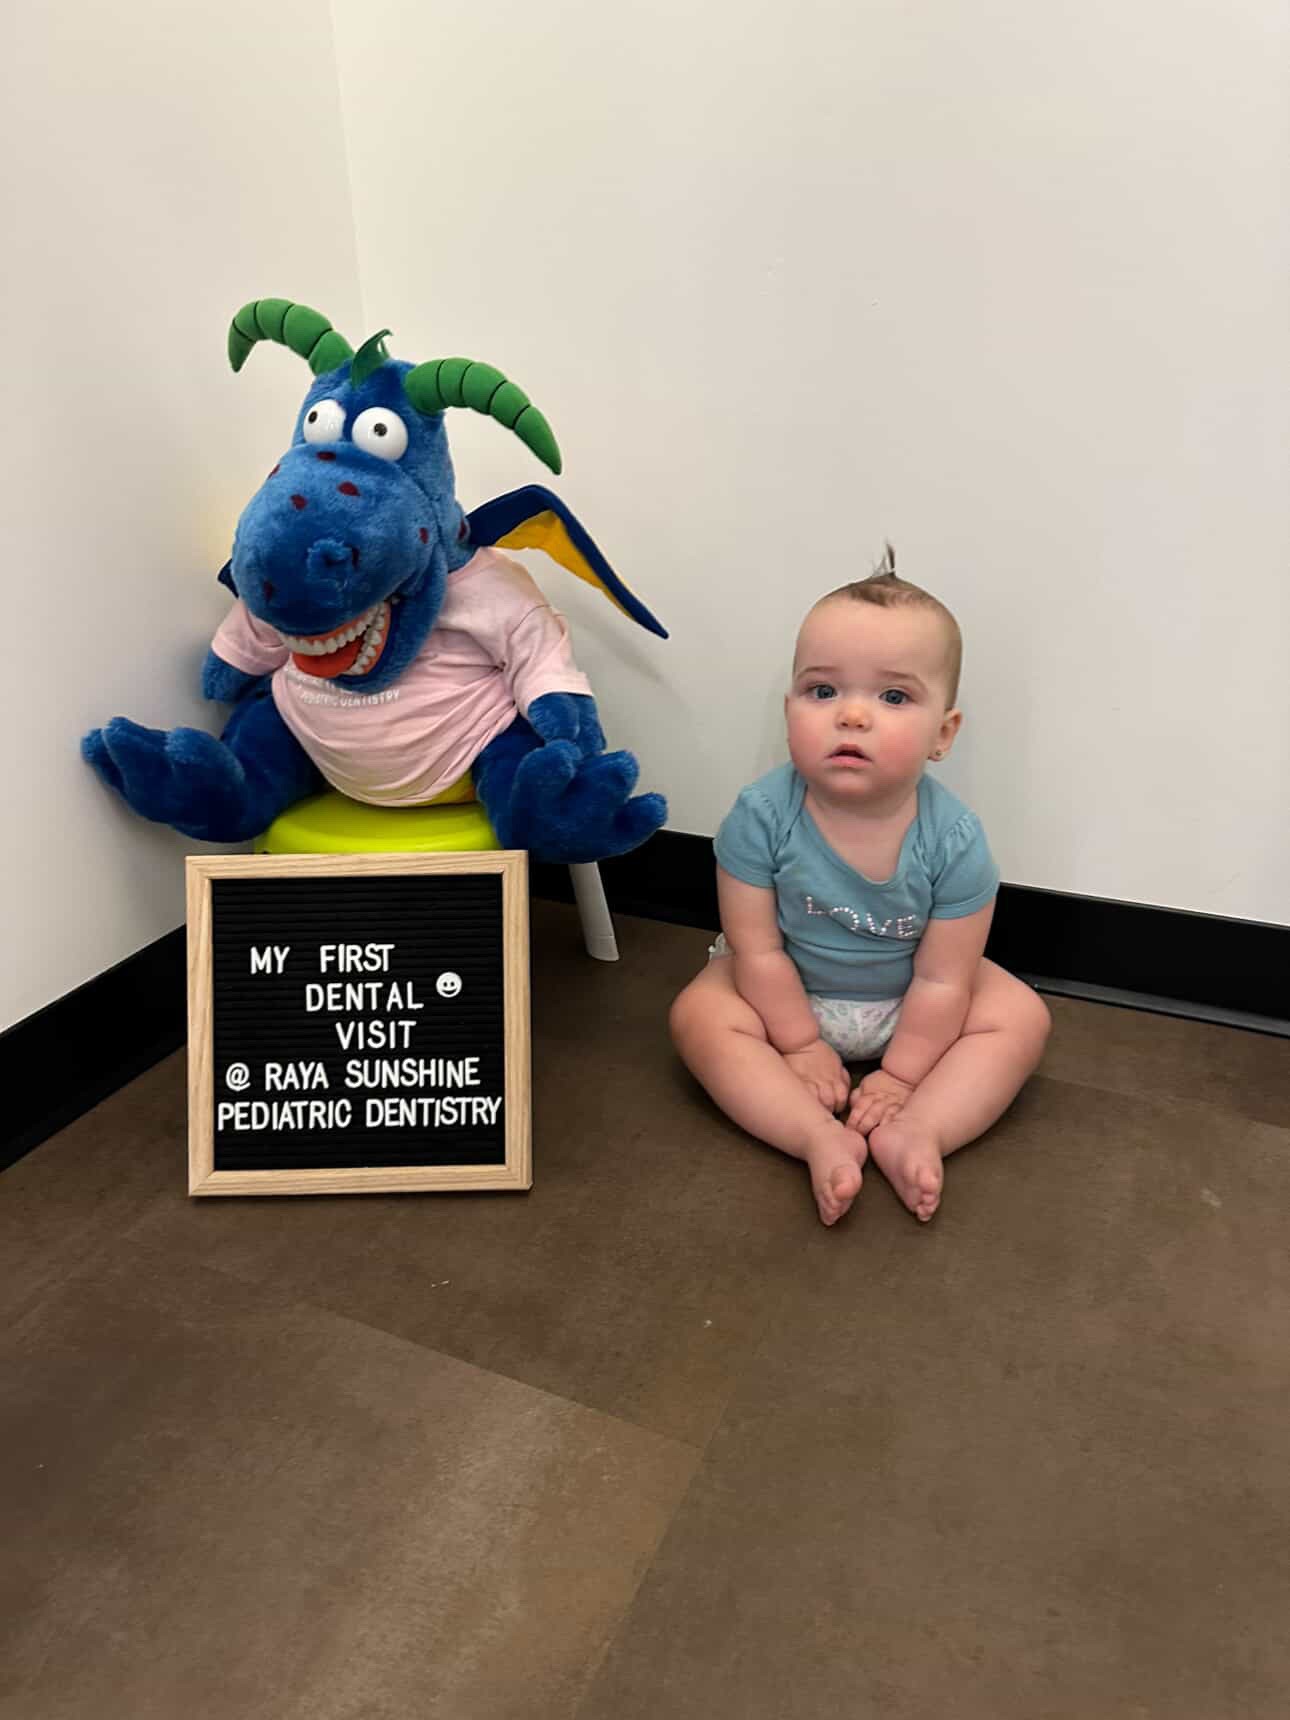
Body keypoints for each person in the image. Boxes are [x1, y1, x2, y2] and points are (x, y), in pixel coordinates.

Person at [669, 557, 1051, 1226]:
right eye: (822, 692)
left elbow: (943, 977)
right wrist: (796, 1044)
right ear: (789, 710)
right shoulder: (760, 816)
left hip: (911, 1000)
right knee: (698, 1016)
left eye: (893, 697)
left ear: (943, 734)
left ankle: (921, 1130)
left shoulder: (955, 839)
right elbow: (756, 949)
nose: (851, 715)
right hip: (784, 992)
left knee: (1021, 1017)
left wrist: (904, 1077)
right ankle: (815, 1136)